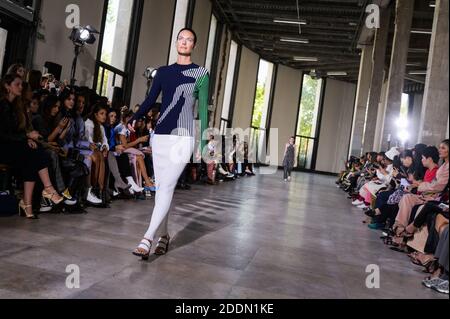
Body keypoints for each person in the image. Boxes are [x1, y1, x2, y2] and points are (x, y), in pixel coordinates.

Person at [132, 28, 209, 259]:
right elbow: (149, 100)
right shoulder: (163, 72)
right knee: (162, 190)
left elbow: (203, 110)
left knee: (165, 188)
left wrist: (203, 141)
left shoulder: (201, 73)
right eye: (181, 39)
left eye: (189, 40)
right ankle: (164, 236)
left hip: (183, 137)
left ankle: (147, 239)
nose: (184, 43)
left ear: (194, 45)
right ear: (176, 42)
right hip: (161, 136)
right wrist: (132, 119)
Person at [0, 74, 63, 219]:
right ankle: (47, 190)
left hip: (12, 146)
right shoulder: (2, 105)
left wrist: (27, 138)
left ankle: (27, 205)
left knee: (34, 154)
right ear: (7, 86)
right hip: (3, 148)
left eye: (21, 85)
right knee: (35, 153)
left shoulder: (16, 106)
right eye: (17, 84)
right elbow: (3, 134)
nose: (21, 87)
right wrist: (27, 137)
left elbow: (18, 132)